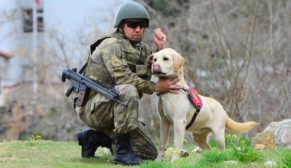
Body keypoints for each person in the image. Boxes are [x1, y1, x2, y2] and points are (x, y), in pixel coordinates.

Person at [75, 1, 182, 165]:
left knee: (150, 153)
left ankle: (94, 139)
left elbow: (154, 66)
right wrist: (156, 87)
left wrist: (160, 48)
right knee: (128, 90)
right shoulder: (110, 45)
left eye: (141, 25)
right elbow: (123, 78)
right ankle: (122, 154)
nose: (138, 29)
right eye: (132, 25)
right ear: (120, 26)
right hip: (94, 109)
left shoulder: (142, 50)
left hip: (118, 110)